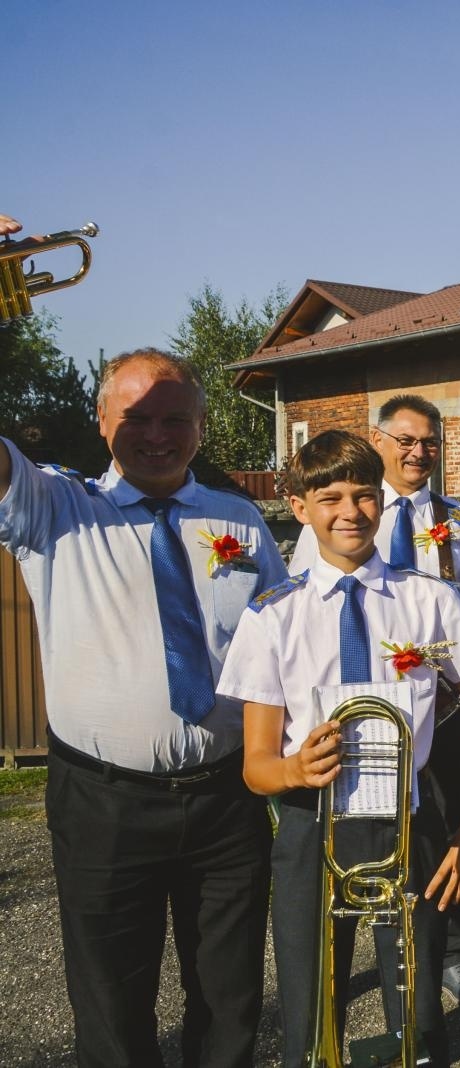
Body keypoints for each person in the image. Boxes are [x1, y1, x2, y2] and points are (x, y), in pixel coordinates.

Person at [0, 348, 286, 1067]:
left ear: (201, 425)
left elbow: (285, 642)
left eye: (174, 418)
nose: (156, 434)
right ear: (101, 422)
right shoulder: (55, 508)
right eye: (135, 417)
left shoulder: (240, 519)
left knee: (230, 999)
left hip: (227, 798)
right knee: (111, 1004)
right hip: (104, 802)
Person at [218, 430, 460, 1067]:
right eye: (330, 498)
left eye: (364, 495)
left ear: (382, 500)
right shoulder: (273, 615)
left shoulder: (428, 599)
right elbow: (257, 766)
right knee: (310, 1008)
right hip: (311, 825)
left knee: (420, 1009)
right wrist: (293, 767)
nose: (350, 512)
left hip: (413, 819)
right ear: (298, 507)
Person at [289, 394, 460, 1009]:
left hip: (448, 708)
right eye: (406, 440)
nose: (419, 452)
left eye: (430, 442)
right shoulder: (345, 512)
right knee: (362, 839)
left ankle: (451, 954)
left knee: (438, 838)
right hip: (364, 717)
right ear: (379, 441)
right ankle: (349, 963)